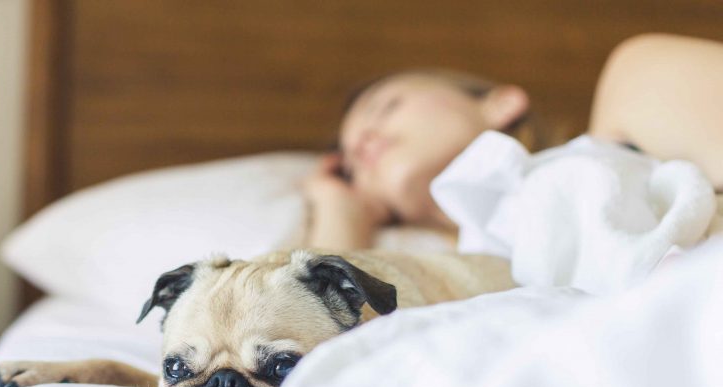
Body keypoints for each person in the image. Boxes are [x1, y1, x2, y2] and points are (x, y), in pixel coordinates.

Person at [302, 33, 723, 252]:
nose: (361, 139)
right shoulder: (451, 294)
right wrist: (339, 209)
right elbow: (306, 339)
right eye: (351, 164)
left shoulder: (633, 92)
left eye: (386, 106)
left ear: (501, 103)